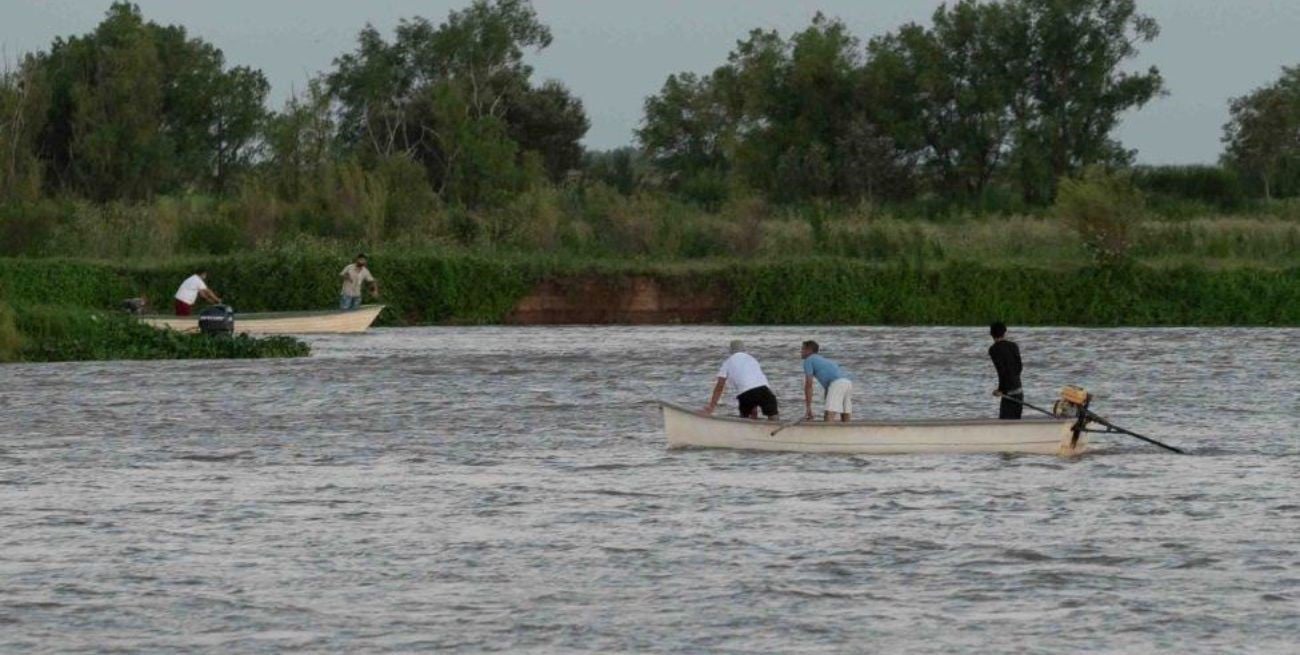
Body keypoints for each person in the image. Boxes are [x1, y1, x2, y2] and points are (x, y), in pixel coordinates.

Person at [705, 340, 779, 420]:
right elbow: (756, 381)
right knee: (773, 416)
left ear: (731, 351)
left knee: (747, 418)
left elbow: (719, 387)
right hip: (765, 391)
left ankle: (749, 425)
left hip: (745, 394)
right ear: (744, 349)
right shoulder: (752, 359)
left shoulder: (727, 363)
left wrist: (711, 407)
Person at [801, 340, 853, 422]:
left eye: (803, 349)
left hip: (837, 384)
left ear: (809, 350)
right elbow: (830, 384)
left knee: (829, 414)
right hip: (847, 383)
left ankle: (826, 432)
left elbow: (808, 386)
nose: (801, 352)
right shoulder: (823, 360)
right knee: (845, 413)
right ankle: (848, 432)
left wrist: (808, 408)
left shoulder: (808, 360)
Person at [988, 321, 1023, 420]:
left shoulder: (993, 349)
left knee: (1005, 423)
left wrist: (1001, 390)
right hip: (1019, 390)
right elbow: (1019, 368)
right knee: (1016, 422)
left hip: (1008, 393)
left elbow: (1002, 371)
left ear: (991, 334)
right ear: (1005, 332)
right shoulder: (1014, 346)